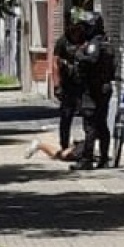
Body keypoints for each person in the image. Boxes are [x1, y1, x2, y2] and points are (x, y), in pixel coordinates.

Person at [71, 13, 115, 171]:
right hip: (104, 88)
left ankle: (87, 159)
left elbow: (92, 59)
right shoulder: (107, 43)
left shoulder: (95, 43)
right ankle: (103, 158)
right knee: (101, 124)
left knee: (90, 125)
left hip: (94, 89)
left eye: (86, 26)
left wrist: (79, 55)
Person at [53, 19, 86, 151]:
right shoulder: (62, 41)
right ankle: (64, 144)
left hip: (82, 84)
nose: (76, 32)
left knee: (87, 115)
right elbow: (55, 63)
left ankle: (86, 146)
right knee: (66, 115)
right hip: (67, 84)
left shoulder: (85, 39)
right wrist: (57, 85)